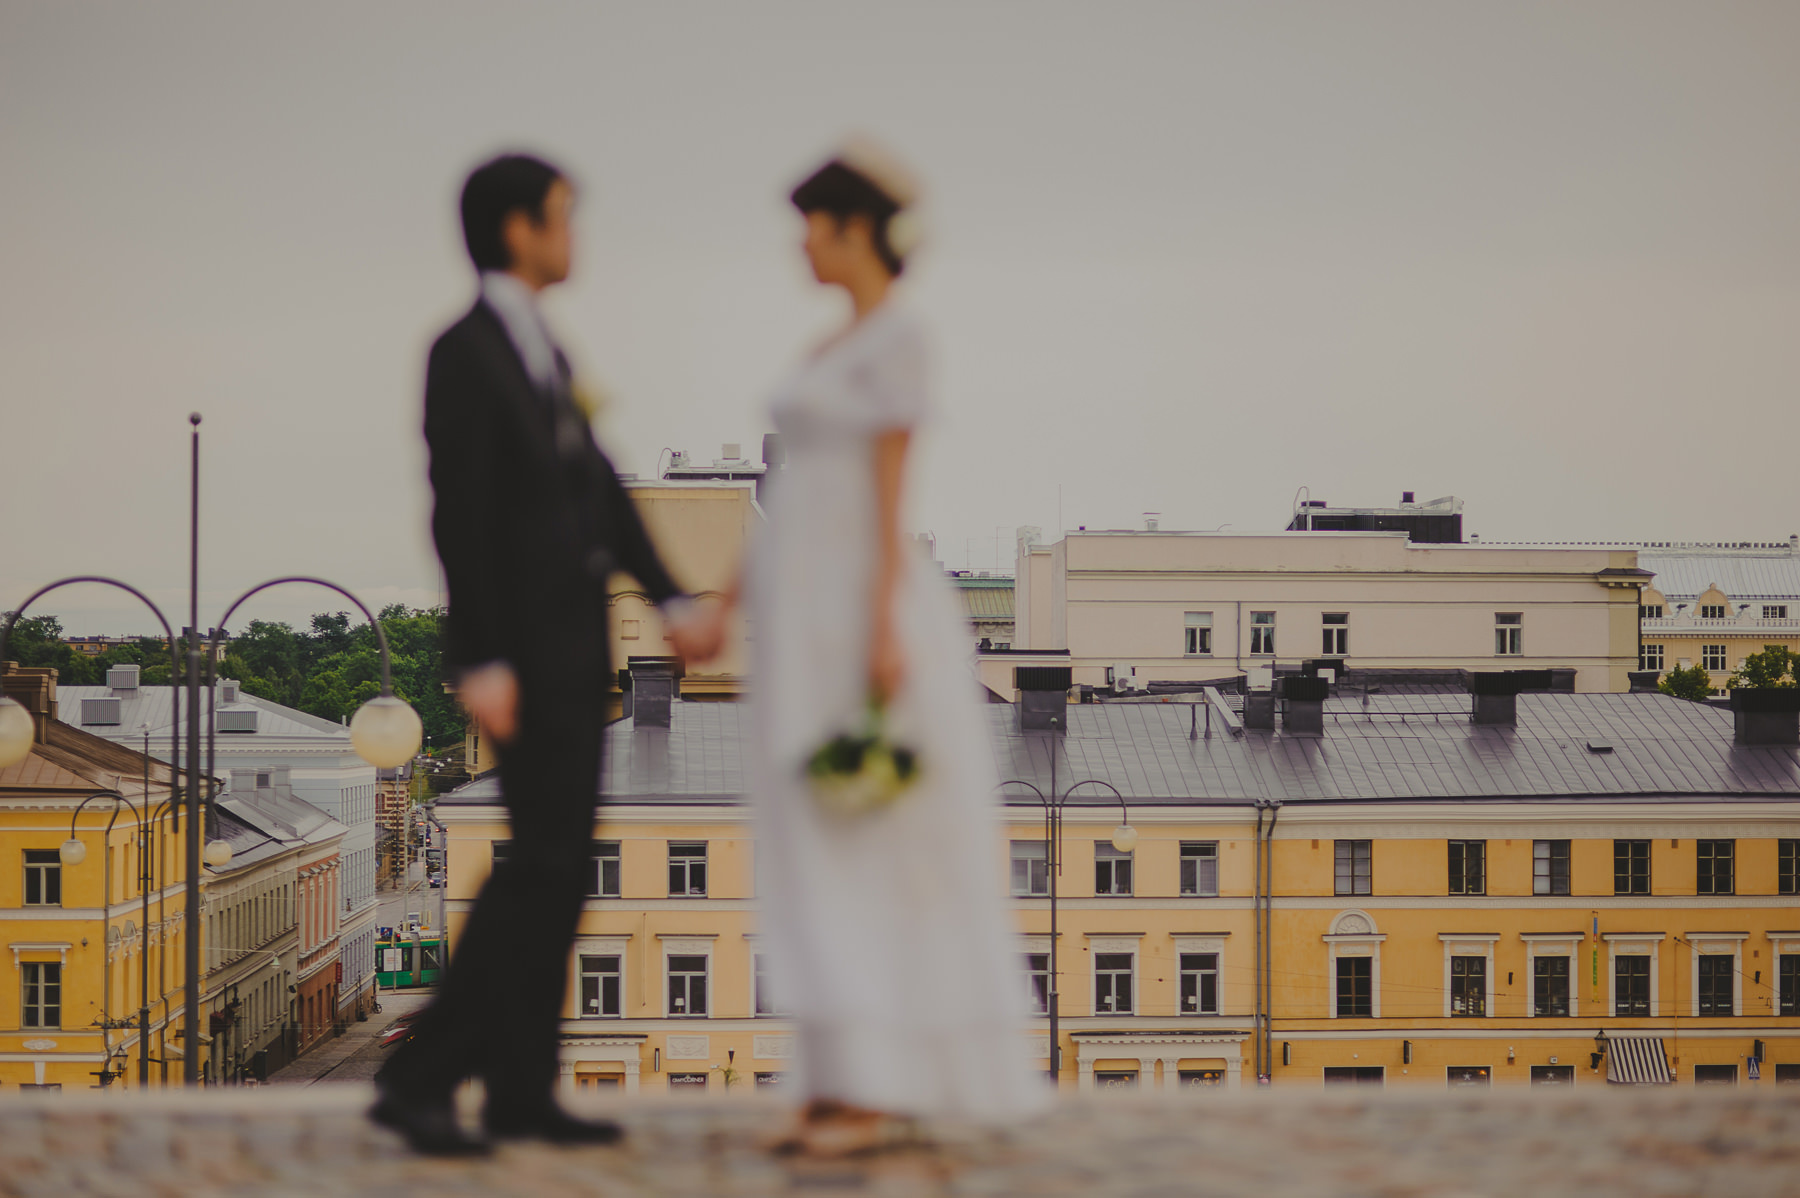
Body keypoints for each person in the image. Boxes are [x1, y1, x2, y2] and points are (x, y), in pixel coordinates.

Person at [686, 139, 1046, 1157]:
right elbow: (787, 498)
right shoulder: (833, 345)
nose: (797, 244)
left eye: (808, 224)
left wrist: (885, 623)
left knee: (872, 844)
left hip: (857, 611)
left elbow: (894, 494)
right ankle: (836, 1076)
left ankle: (879, 1085)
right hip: (800, 616)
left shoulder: (900, 338)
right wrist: (726, 601)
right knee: (812, 842)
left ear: (849, 228)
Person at [372, 153, 701, 1156]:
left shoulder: (542, 348)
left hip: (573, 650)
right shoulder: (463, 351)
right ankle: (422, 1076)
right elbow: (457, 509)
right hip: (519, 654)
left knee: (558, 873)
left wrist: (673, 594)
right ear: (519, 228)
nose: (575, 234)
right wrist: (478, 658)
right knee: (543, 863)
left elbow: (598, 488)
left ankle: (521, 1085)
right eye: (563, 216)